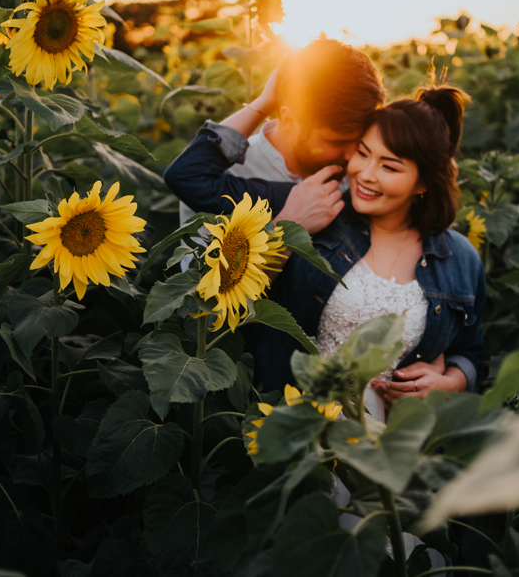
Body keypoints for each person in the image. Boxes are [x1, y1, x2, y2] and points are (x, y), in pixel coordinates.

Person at [165, 82, 485, 404]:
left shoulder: (460, 258)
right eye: (362, 152)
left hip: (394, 442)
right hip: (292, 423)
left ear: (423, 183)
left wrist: (451, 383)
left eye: (389, 166)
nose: (366, 173)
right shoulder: (311, 205)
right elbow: (189, 176)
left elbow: (470, 351)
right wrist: (264, 102)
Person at [170, 37, 386, 232]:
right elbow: (205, 275)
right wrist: (289, 225)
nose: (352, 155)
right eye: (337, 141)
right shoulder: (229, 173)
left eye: (359, 140)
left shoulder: (369, 169)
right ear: (290, 121)